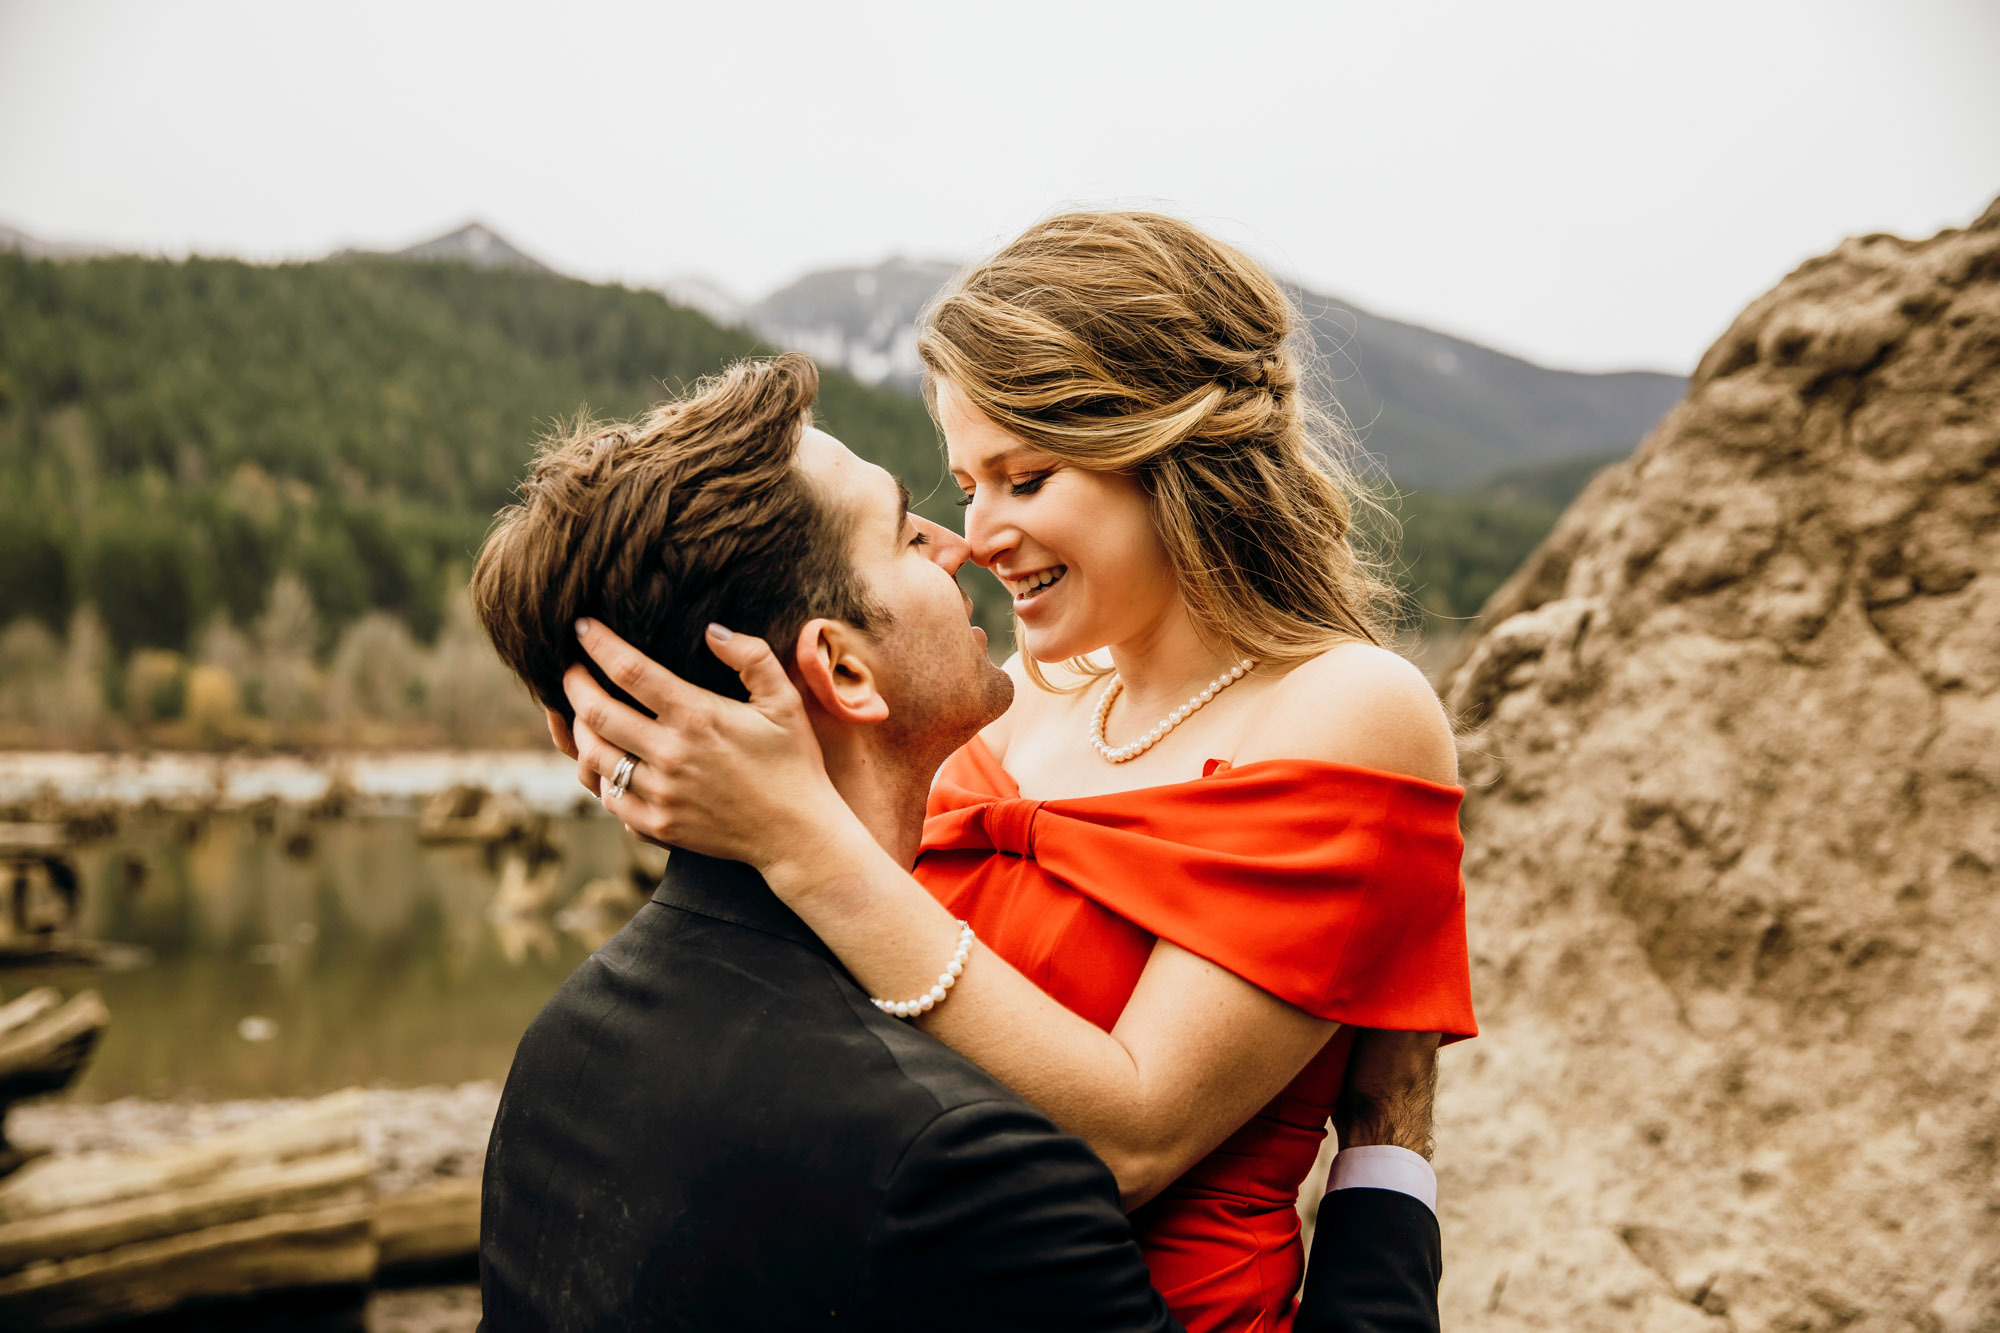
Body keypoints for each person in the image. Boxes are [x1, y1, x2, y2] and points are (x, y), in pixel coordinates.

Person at [560, 213, 1477, 1333]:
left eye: (1024, 478)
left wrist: (803, 838)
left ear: (1171, 453)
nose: (976, 533)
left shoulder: (1345, 707)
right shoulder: (1030, 685)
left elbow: (1129, 1137)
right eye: (964, 484)